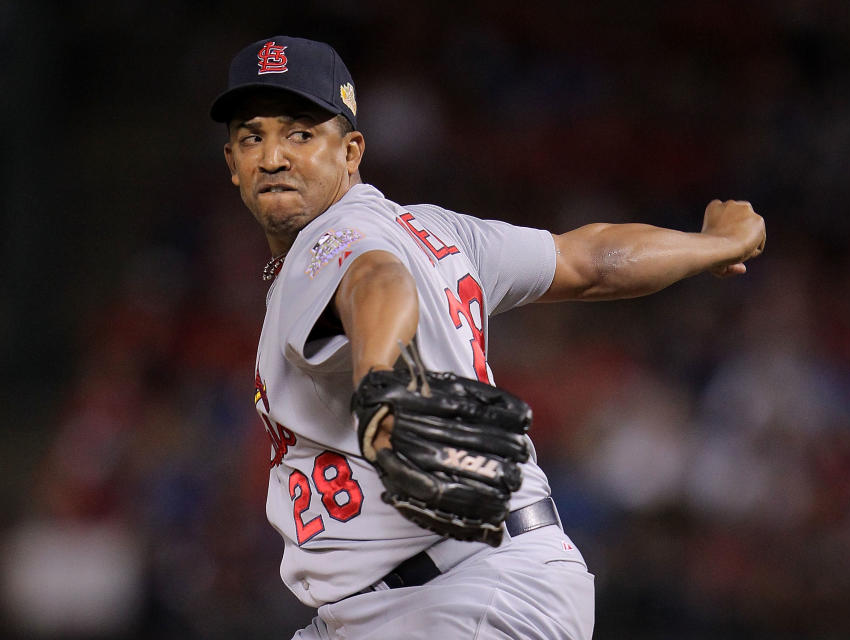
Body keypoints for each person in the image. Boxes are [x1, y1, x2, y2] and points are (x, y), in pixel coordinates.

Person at [211, 36, 765, 640]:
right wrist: (716, 245)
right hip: (428, 598)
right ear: (231, 163)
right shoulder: (439, 230)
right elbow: (589, 260)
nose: (272, 157)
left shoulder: (332, 240)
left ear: (351, 152)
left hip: (459, 598)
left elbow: (375, 280)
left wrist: (384, 383)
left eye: (299, 133)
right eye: (251, 136)